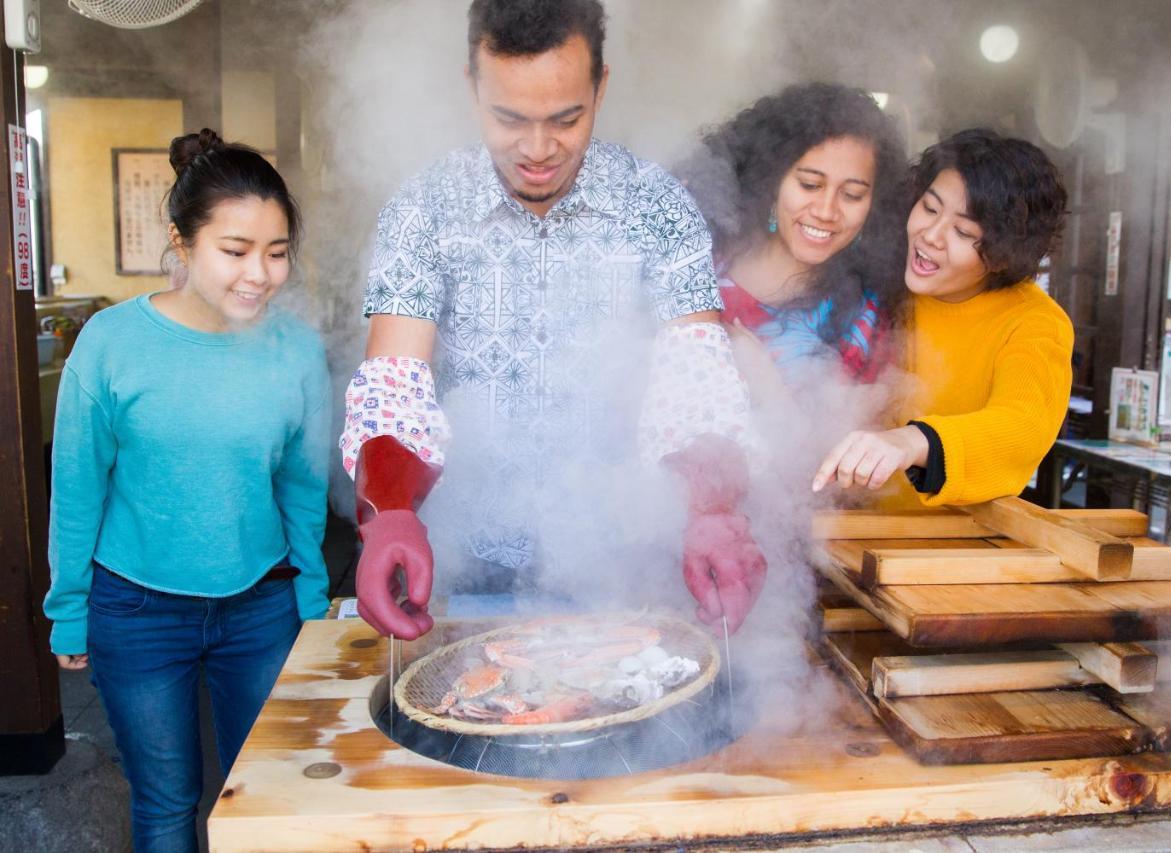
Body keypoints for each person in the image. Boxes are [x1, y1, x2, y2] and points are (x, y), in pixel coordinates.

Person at [340, 0, 766, 639]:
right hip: (461, 567)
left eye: (566, 119)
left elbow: (696, 378)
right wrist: (390, 513)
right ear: (471, 85)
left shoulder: (658, 207)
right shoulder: (423, 208)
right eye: (508, 118)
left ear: (601, 86)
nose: (537, 150)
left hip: (620, 567)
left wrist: (712, 509)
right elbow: (396, 379)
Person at [44, 129, 330, 852]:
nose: (260, 274)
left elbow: (303, 481)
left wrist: (312, 595)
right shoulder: (110, 344)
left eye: (277, 251)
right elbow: (77, 488)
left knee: (261, 793)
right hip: (137, 609)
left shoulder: (295, 348)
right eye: (235, 251)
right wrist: (69, 609)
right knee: (168, 802)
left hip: (260, 604)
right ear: (181, 241)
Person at [812, 128, 1072, 505]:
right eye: (930, 208)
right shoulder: (880, 281)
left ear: (1003, 256)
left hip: (943, 550)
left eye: (964, 232)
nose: (930, 235)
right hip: (842, 531)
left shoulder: (1033, 321)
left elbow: (1024, 425)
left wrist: (912, 441)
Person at [681, 82, 909, 400]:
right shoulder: (695, 257)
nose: (826, 211)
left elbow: (849, 446)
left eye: (852, 195)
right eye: (810, 185)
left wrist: (765, 383)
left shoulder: (864, 322)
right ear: (772, 180)